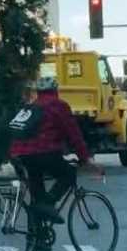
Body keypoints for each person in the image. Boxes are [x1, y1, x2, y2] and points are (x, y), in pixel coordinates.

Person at [9, 76, 103, 227]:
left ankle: (37, 242)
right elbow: (74, 135)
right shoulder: (58, 106)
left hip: (18, 154)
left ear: (38, 92)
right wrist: (85, 158)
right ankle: (48, 204)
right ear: (55, 90)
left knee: (36, 198)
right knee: (69, 173)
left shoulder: (31, 107)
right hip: (42, 152)